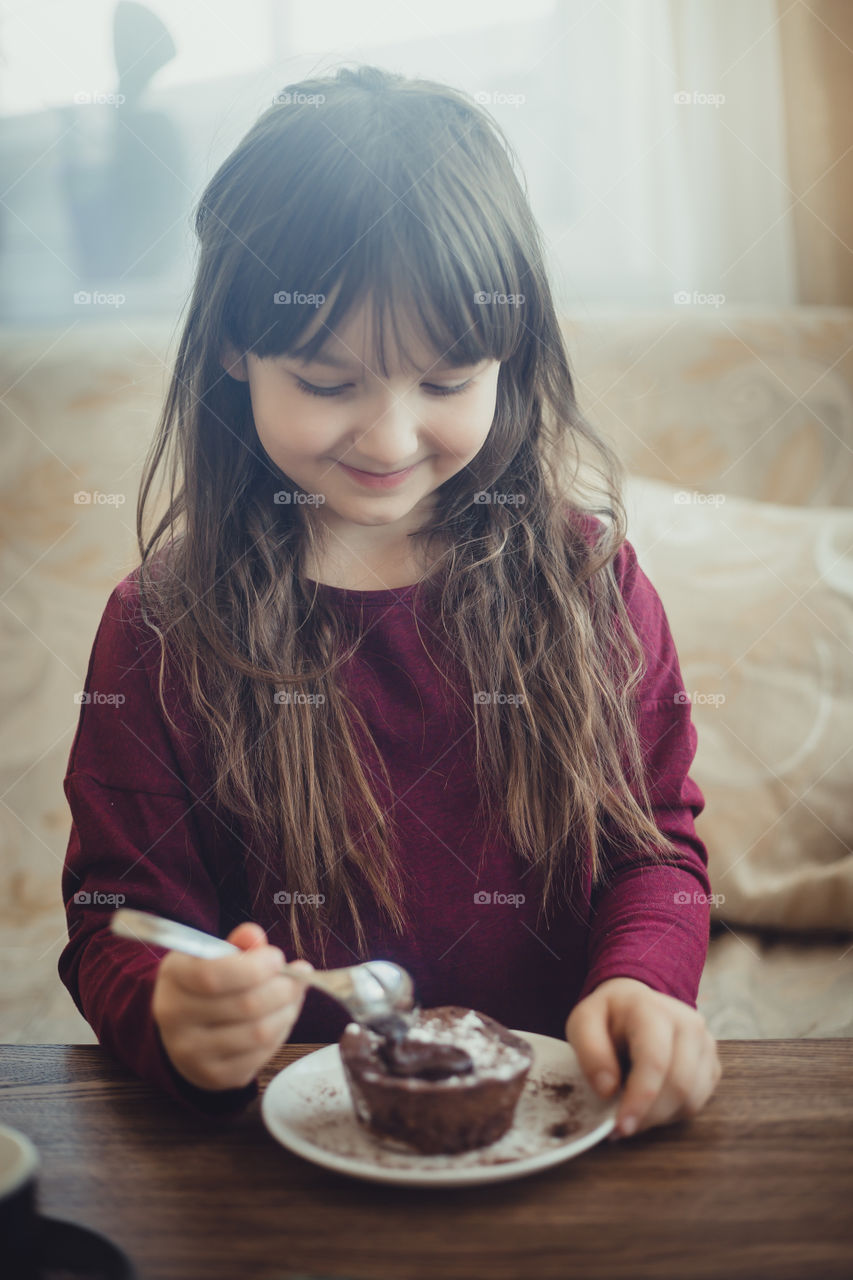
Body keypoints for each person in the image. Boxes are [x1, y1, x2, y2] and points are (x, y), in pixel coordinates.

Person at [58, 64, 721, 1139]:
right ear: (233, 345)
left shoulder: (587, 579)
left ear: (510, 355)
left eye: (447, 380)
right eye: (327, 382)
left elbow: (655, 851)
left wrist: (647, 980)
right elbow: (116, 920)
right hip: (281, 1164)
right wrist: (174, 1009)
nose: (390, 436)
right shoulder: (158, 628)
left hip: (565, 1133)